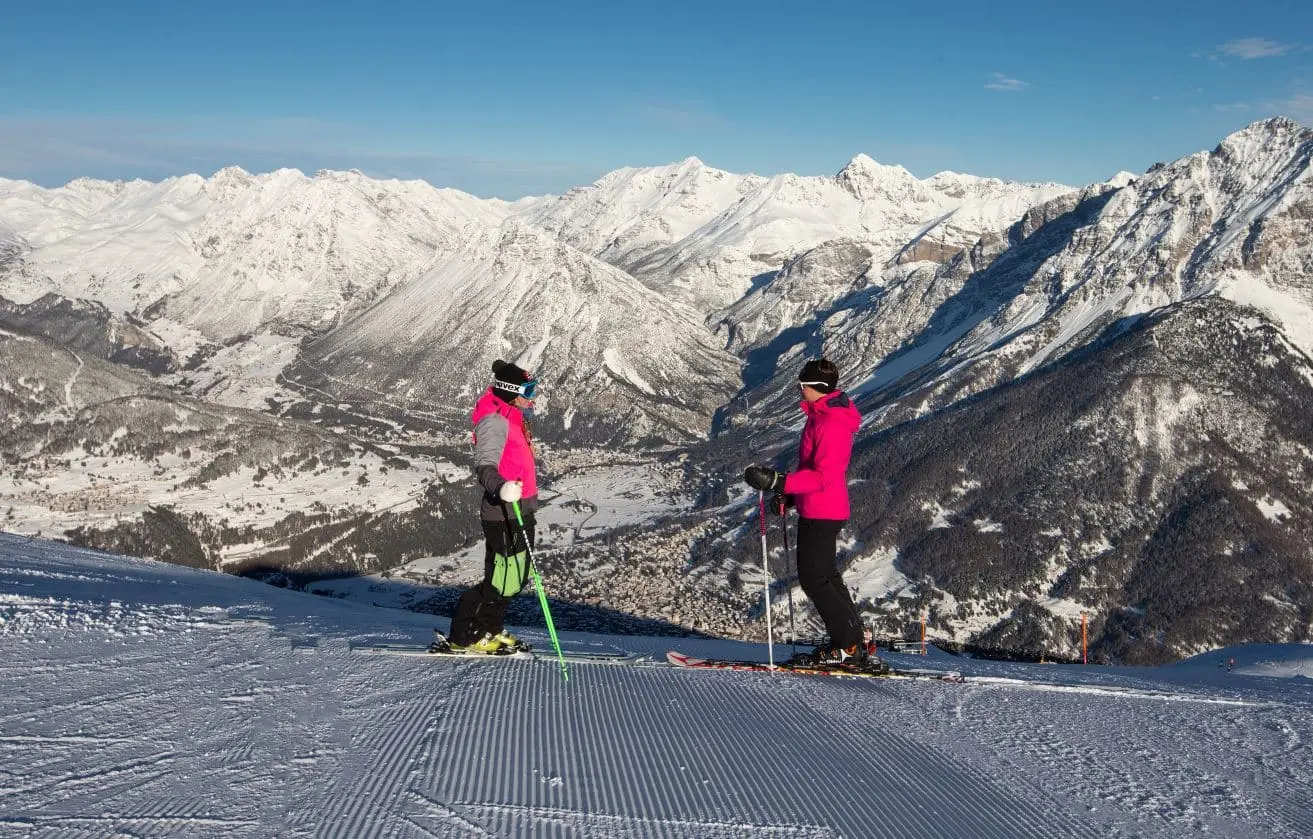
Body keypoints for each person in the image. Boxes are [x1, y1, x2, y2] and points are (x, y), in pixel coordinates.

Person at [743, 358, 865, 665]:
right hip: (818, 507)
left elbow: (824, 477)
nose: (800, 389)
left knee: (814, 579)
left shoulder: (831, 423)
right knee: (825, 577)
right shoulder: (821, 417)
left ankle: (847, 646)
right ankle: (852, 640)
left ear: (818, 388)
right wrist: (791, 496)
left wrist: (779, 481)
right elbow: (815, 471)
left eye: (804, 385)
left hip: (823, 511)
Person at [447, 359, 541, 654]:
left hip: (522, 509)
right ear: (512, 391)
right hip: (502, 513)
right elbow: (484, 466)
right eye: (528, 390)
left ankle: (491, 628)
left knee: (514, 579)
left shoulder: (513, 415)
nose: (533, 396)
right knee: (498, 580)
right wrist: (501, 488)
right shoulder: (495, 420)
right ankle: (464, 635)